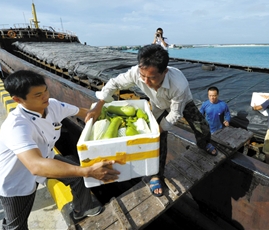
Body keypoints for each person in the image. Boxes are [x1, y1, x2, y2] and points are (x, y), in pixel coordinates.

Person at [0, 70, 120, 229]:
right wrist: (87, 171)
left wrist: (107, 110)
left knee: (77, 173)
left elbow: (85, 113)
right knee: (16, 226)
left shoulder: (52, 105)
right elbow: (35, 166)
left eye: (45, 90)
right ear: (17, 99)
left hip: (47, 157)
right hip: (17, 179)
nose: (45, 96)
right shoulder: (16, 126)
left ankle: (82, 209)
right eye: (38, 95)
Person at [86, 44, 217, 197]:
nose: (146, 82)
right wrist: (100, 104)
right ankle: (156, 175)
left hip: (182, 103)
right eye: (143, 77)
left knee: (201, 125)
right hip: (157, 104)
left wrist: (157, 130)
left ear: (164, 71)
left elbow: (175, 114)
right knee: (158, 142)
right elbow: (115, 83)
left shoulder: (179, 85)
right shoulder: (136, 72)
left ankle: (204, 142)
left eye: (152, 78)